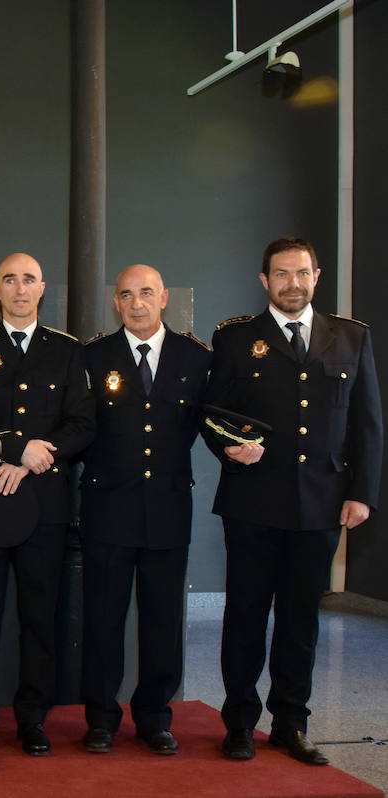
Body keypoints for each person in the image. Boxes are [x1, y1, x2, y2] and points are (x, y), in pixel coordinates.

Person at [203, 237, 382, 765]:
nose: (292, 284)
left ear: (317, 276)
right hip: (252, 504)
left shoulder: (350, 337)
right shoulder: (236, 338)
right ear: (264, 281)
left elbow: (367, 425)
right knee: (245, 617)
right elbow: (211, 411)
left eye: (301, 273)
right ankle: (239, 722)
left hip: (321, 505)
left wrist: (362, 495)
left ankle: (290, 723)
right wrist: (228, 445)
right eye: (281, 274)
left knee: (301, 620)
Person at [0, 252, 94, 756]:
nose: (19, 288)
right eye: (9, 280)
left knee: (40, 616)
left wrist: (31, 461)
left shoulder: (68, 352)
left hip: (44, 505)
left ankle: (34, 718)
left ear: (42, 288)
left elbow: (82, 425)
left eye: (28, 280)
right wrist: (16, 448)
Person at [79, 264, 211, 755]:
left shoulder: (194, 358)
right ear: (116, 302)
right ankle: (100, 718)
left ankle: (155, 716)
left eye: (146, 293)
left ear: (164, 298)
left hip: (169, 509)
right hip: (108, 509)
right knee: (103, 620)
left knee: (162, 620)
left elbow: (209, 424)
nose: (137, 303)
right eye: (127, 295)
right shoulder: (94, 355)